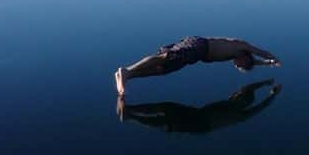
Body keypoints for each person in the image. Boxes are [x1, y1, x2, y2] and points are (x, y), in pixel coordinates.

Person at [114, 36, 280, 96]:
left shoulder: (235, 56)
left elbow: (254, 62)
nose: (236, 66)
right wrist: (273, 58)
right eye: (240, 66)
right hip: (199, 45)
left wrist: (268, 64)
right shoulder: (240, 46)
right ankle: (127, 71)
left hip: (196, 55)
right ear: (246, 58)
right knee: (166, 57)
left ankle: (129, 76)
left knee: (163, 70)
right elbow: (259, 52)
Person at [116, 79, 282, 133]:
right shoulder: (235, 101)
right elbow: (249, 88)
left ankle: (132, 116)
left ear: (243, 101)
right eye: (237, 94)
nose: (235, 94)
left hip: (201, 124)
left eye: (238, 96)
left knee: (166, 122)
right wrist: (266, 83)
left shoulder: (241, 114)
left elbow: (260, 107)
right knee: (165, 107)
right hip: (198, 114)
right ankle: (132, 110)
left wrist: (272, 94)